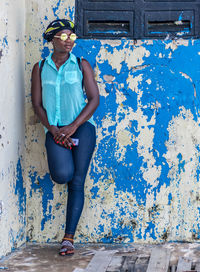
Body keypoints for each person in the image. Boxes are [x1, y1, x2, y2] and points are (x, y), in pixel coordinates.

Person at [31, 19, 99, 256]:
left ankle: (68, 239)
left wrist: (72, 126)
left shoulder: (81, 65)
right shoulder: (40, 67)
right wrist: (53, 129)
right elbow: (37, 104)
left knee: (77, 182)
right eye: (64, 36)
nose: (70, 41)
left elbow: (94, 99)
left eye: (72, 37)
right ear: (52, 39)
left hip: (81, 129)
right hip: (54, 130)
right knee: (62, 175)